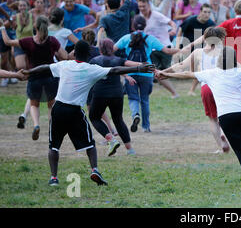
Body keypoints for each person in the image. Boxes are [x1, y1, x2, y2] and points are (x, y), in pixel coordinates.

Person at [159, 46, 241, 188]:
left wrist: (167, 74)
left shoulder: (211, 73)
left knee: (240, 149)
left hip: (226, 115)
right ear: (235, 59)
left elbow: (187, 74)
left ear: (219, 59)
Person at [22, 40, 153, 186]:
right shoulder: (92, 69)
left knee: (54, 145)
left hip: (58, 109)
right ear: (89, 55)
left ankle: (54, 178)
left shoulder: (64, 65)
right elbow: (115, 70)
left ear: (74, 53)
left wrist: (29, 72)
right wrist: (139, 68)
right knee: (90, 144)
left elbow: (45, 67)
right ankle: (94, 170)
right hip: (75, 111)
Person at [161, 27, 231, 153]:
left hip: (206, 87)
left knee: (212, 119)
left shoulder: (199, 52)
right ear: (221, 38)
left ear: (205, 38)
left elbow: (181, 66)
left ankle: (221, 146)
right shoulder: (226, 52)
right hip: (222, 87)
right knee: (224, 116)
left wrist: (163, 72)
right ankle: (223, 133)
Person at [1, 16, 68, 140]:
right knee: (51, 104)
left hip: (34, 77)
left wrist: (2, 27)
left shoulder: (28, 41)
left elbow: (7, 42)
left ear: (35, 27)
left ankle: (36, 125)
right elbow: (64, 56)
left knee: (34, 104)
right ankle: (52, 128)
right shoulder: (52, 41)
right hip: (50, 77)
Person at [114, 15, 179, 132]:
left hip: (131, 71)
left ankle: (135, 115)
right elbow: (167, 51)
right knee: (145, 100)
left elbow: (111, 50)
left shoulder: (126, 38)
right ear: (145, 26)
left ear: (132, 25)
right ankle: (146, 127)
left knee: (133, 98)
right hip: (147, 72)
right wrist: (184, 49)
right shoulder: (151, 39)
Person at [89, 38, 140, 156]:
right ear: (112, 48)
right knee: (118, 120)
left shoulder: (94, 60)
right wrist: (146, 65)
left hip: (100, 93)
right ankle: (130, 149)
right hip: (117, 94)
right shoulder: (118, 60)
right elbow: (130, 65)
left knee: (94, 117)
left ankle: (111, 140)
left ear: (100, 49)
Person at [139, 0, 179, 99]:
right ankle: (174, 93)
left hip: (164, 47)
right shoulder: (141, 18)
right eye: (140, 6)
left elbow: (171, 22)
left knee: (164, 72)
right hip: (152, 49)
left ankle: (175, 91)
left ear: (149, 5)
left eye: (144, 6)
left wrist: (174, 29)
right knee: (155, 72)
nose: (142, 8)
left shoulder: (156, 15)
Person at [176, 4, 216, 95]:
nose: (207, 14)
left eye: (209, 12)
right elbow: (180, 32)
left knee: (199, 69)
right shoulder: (190, 20)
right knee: (183, 70)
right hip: (187, 48)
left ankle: (191, 90)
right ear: (200, 12)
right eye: (205, 12)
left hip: (201, 51)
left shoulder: (211, 24)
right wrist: (177, 48)